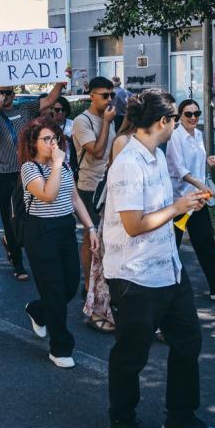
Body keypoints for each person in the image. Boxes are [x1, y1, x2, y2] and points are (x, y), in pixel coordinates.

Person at [103, 89, 215, 428]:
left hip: (168, 269)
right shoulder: (128, 162)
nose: (176, 126)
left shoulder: (155, 155)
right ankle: (121, 421)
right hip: (134, 275)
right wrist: (177, 207)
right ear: (163, 122)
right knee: (131, 354)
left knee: (188, 342)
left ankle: (181, 416)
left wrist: (184, 204)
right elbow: (133, 224)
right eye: (174, 120)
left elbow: (157, 207)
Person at [19, 117, 99, 368]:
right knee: (54, 290)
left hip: (65, 228)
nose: (53, 143)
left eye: (55, 138)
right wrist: (55, 164)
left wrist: (91, 227)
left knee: (69, 286)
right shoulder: (29, 169)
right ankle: (60, 347)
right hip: (41, 233)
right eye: (46, 139)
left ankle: (38, 310)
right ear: (33, 143)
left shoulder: (62, 167)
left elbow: (74, 198)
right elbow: (48, 195)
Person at [0, 81, 66, 281]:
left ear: (14, 92)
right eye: (0, 93)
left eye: (8, 92)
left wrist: (60, 83)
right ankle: (18, 263)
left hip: (29, 170)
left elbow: (50, 99)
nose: (5, 96)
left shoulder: (25, 108)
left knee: (32, 216)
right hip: (5, 173)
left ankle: (32, 252)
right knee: (10, 218)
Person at [166, 99, 215, 301]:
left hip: (198, 200)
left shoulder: (198, 135)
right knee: (170, 247)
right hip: (180, 200)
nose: (193, 117)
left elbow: (196, 164)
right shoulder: (175, 137)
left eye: (196, 113)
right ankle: (163, 289)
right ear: (180, 116)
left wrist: (207, 162)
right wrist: (202, 186)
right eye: (188, 114)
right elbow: (180, 169)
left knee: (206, 244)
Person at [83, 115, 136, 334]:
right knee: (108, 261)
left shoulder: (152, 143)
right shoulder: (123, 140)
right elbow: (120, 177)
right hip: (119, 208)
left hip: (138, 209)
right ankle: (100, 310)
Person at [73, 76, 117, 293]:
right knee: (91, 238)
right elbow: (98, 153)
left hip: (109, 186)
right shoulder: (83, 121)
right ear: (92, 96)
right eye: (105, 96)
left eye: (112, 95)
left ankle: (103, 280)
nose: (110, 100)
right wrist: (107, 122)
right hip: (89, 186)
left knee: (108, 238)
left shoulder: (111, 116)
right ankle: (89, 285)